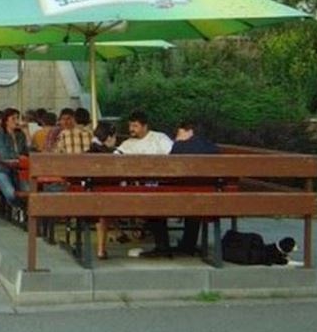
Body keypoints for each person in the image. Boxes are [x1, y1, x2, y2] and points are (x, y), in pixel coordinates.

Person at [145, 120, 220, 256]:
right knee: (195, 199)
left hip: (180, 199)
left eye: (179, 133)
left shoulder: (179, 147)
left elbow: (169, 173)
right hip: (207, 199)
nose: (176, 137)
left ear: (189, 131)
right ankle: (188, 245)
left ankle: (162, 246)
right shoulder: (213, 148)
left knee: (153, 201)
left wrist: (178, 142)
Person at [115, 110, 174, 258]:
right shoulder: (127, 144)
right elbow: (115, 159)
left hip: (162, 186)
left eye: (135, 126)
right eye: (130, 126)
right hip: (139, 188)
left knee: (154, 202)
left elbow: (172, 158)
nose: (131, 129)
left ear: (145, 126)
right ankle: (159, 243)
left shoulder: (159, 139)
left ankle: (161, 244)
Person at [89, 121, 118, 259]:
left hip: (86, 196)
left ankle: (101, 249)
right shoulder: (112, 155)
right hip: (110, 199)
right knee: (103, 210)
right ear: (109, 137)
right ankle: (101, 249)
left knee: (101, 207)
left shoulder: (89, 153)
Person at [0, 108, 29, 210]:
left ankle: (21, 211)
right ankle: (17, 209)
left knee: (28, 192)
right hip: (2, 169)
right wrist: (19, 156)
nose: (16, 121)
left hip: (19, 170)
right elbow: (4, 154)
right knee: (11, 194)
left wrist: (27, 133)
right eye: (13, 118)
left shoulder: (20, 134)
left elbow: (27, 152)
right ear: (6, 121)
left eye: (18, 118)